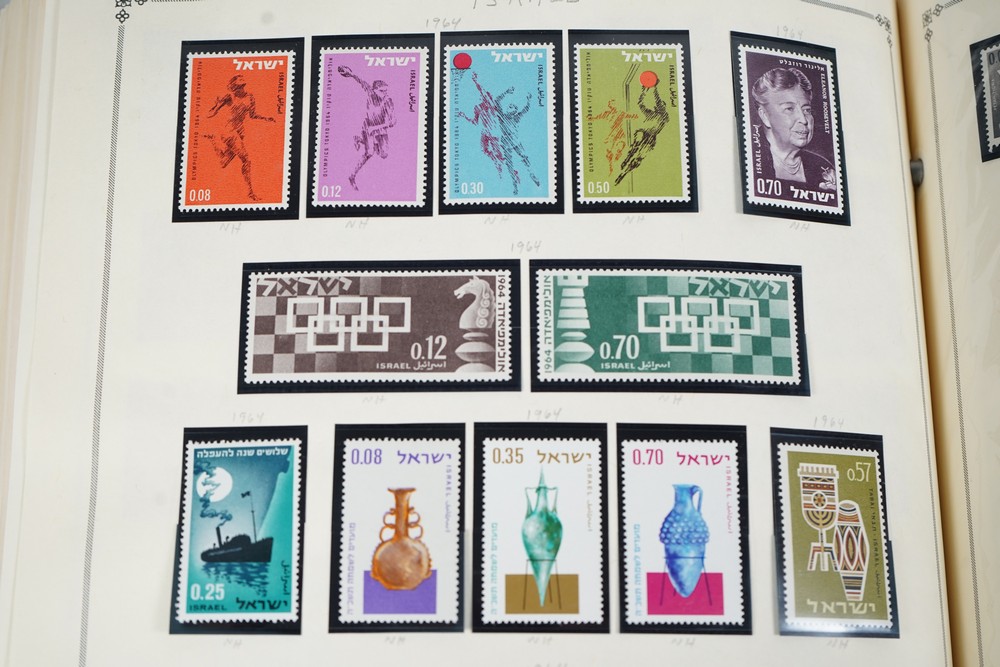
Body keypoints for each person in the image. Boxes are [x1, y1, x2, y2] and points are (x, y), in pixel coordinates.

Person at [751, 67, 836, 191]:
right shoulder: (752, 158)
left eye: (806, 110)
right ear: (765, 116)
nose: (803, 119)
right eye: (789, 109)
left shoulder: (822, 167)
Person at [457, 72, 540, 195]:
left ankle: (533, 176)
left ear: (515, 111)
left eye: (512, 106)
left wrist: (528, 100)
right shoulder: (501, 116)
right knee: (509, 165)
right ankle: (515, 185)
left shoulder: (515, 117)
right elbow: (497, 100)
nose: (510, 106)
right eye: (509, 105)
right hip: (505, 144)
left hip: (515, 142)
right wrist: (506, 92)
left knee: (524, 157)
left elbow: (525, 110)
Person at [203, 75, 275, 201]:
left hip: (239, 133)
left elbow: (252, 115)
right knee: (246, 160)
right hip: (228, 131)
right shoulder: (229, 96)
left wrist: (266, 118)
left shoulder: (250, 97)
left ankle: (213, 140)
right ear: (233, 86)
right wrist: (215, 105)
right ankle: (250, 193)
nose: (238, 88)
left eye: (241, 84)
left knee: (223, 162)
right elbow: (210, 114)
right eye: (236, 85)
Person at [337, 65, 395, 190]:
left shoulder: (388, 101)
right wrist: (351, 74)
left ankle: (359, 140)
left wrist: (376, 128)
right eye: (382, 91)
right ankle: (352, 176)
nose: (385, 93)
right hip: (368, 127)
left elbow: (392, 122)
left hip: (380, 129)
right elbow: (361, 81)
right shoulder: (370, 92)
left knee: (384, 154)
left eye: (386, 91)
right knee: (369, 153)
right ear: (374, 90)